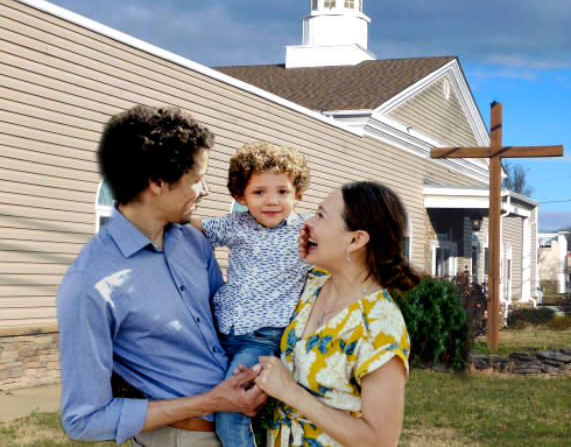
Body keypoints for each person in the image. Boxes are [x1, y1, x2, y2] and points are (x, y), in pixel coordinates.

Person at [56, 105, 266, 447]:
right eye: (197, 179)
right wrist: (213, 401)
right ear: (157, 182)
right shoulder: (90, 283)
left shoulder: (193, 241)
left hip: (239, 428)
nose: (206, 190)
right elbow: (83, 421)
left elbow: (229, 325)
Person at [255, 181, 423, 447]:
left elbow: (380, 440)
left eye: (321, 215)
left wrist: (290, 392)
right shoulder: (313, 284)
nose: (308, 221)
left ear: (356, 239)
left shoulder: (380, 325)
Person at [190, 141, 313, 447]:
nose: (271, 201)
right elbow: (193, 225)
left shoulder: (307, 235)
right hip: (219, 334)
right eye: (259, 192)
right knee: (201, 403)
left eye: (282, 192)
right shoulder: (236, 225)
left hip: (258, 342)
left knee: (230, 417)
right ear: (240, 196)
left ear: (297, 193)